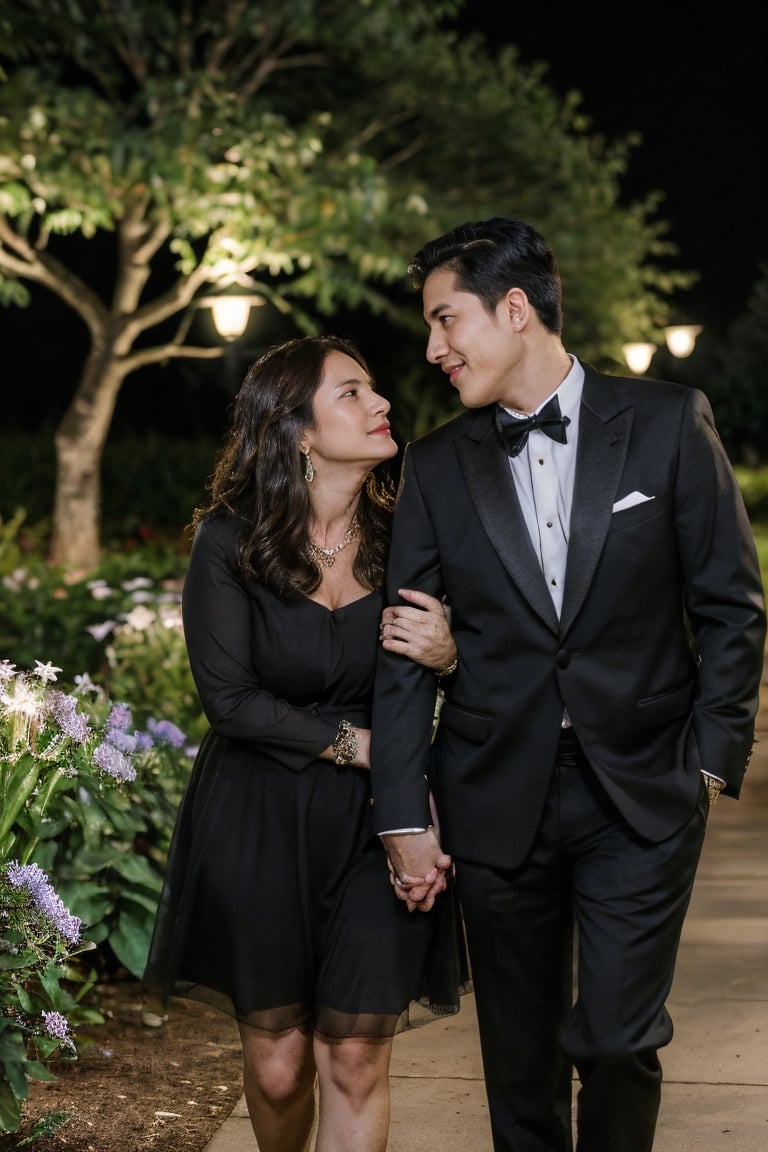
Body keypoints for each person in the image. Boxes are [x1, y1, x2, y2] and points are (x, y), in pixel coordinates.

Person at [371, 216, 766, 1152]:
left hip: (644, 788)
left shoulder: (670, 422)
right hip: (493, 791)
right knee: (521, 1058)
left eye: (445, 320)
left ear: (515, 309)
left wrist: (710, 761)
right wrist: (403, 812)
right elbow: (401, 650)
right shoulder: (431, 467)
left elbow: (732, 607)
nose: (432, 350)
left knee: (619, 1036)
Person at [142, 334, 470, 1152]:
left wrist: (453, 655)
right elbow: (231, 701)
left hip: (377, 823)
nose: (381, 402)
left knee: (355, 1055)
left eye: (373, 389)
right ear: (296, 430)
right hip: (258, 819)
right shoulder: (231, 541)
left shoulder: (411, 537)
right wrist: (363, 747)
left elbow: (488, 670)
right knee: (282, 1068)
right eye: (352, 393)